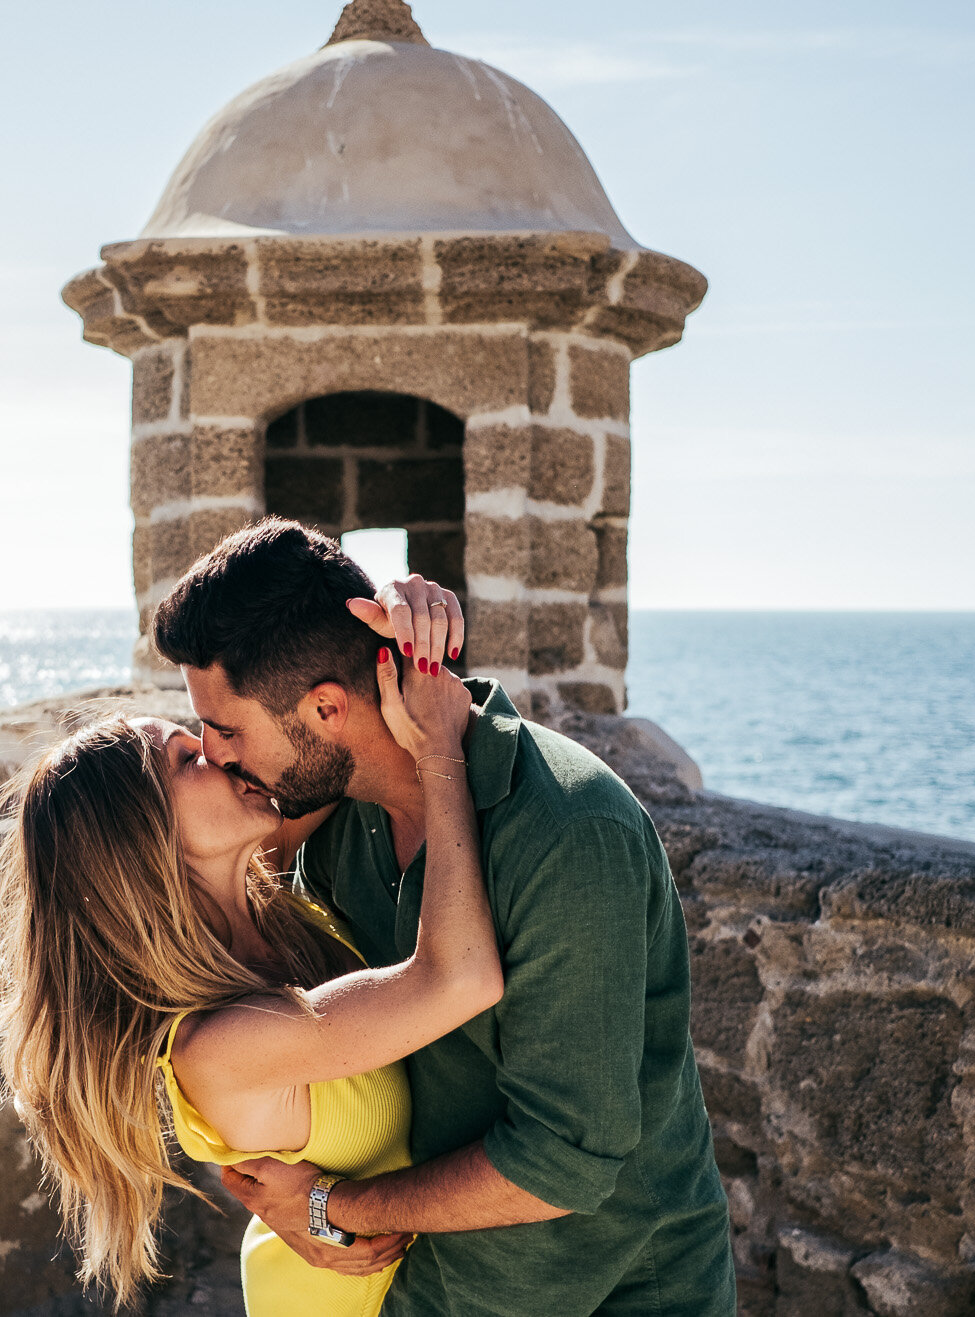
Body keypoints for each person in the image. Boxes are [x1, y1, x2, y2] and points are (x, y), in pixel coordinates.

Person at [153, 518, 737, 1317]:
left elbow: (561, 1161)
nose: (217, 755)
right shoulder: (335, 821)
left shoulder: (568, 831)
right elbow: (171, 861)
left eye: (226, 730)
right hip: (437, 1283)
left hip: (616, 1291)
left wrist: (328, 1207)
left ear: (327, 708)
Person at [0, 615, 494, 1314]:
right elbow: (460, 977)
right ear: (147, 849)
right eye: (188, 759)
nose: (221, 753)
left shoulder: (259, 888)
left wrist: (405, 615)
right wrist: (441, 748)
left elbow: (336, 746)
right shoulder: (216, 1046)